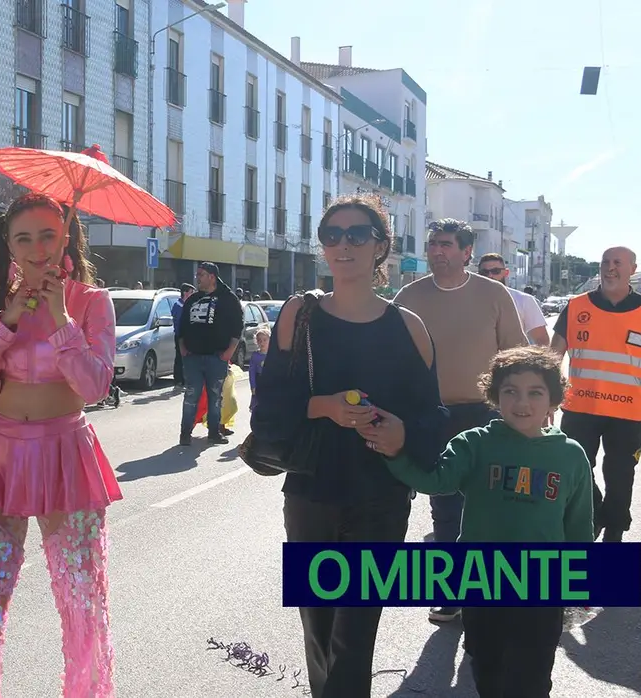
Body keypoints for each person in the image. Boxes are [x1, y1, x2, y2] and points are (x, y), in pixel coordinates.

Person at [252, 195, 446, 698]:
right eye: (331, 235)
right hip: (311, 494)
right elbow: (268, 408)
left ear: (381, 246)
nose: (343, 244)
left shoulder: (409, 327)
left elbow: (434, 421)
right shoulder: (300, 314)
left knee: (356, 636)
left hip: (380, 500)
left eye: (357, 234)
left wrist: (403, 432)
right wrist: (324, 407)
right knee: (318, 634)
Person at [0, 192, 120, 697]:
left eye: (48, 233)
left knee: (82, 599)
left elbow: (95, 387)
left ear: (67, 236)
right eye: (24, 237)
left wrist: (63, 318)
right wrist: (7, 321)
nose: (38, 247)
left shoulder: (91, 302)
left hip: (68, 454)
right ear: (10, 245)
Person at [384, 346, 593, 698]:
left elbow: (579, 524)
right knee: (487, 667)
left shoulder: (570, 455)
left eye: (535, 392)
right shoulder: (475, 444)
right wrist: (395, 453)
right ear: (495, 397)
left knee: (534, 674)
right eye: (510, 391)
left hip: (543, 586)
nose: (521, 402)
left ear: (554, 400)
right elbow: (436, 482)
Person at [393, 218, 527, 623]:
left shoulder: (493, 294)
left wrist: (521, 411)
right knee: (444, 505)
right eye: (433, 243)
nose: (437, 251)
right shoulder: (408, 296)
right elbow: (392, 358)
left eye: (446, 244)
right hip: (432, 416)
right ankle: (451, 593)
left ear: (467, 252)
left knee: (489, 504)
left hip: (484, 415)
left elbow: (516, 357)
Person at [551, 245, 641, 542]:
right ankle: (593, 511)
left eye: (618, 262)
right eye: (605, 261)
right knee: (574, 468)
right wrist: (547, 395)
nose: (610, 267)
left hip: (629, 413)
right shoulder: (577, 306)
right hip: (580, 409)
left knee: (620, 474)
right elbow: (554, 355)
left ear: (633, 268)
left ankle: (614, 528)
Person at [177, 262, 244, 446]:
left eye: (201, 274)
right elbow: (181, 326)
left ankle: (214, 432)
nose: (197, 278)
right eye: (197, 274)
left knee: (216, 396)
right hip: (193, 357)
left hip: (217, 357)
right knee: (192, 394)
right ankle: (185, 433)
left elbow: (237, 327)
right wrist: (183, 347)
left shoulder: (228, 299)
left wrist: (229, 351)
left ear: (212, 277)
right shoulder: (193, 299)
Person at [477, 252, 549, 345]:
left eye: (496, 271)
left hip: (513, 357)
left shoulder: (524, 300)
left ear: (506, 272)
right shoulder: (469, 300)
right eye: (484, 272)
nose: (490, 275)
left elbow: (541, 339)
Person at [171, 282, 195, 388]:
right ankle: (178, 380)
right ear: (185, 293)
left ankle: (187, 380)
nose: (192, 294)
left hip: (189, 336)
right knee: (180, 358)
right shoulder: (178, 305)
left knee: (189, 358)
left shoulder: (190, 305)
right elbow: (179, 321)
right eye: (191, 292)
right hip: (180, 335)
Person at [248, 326, 269, 412]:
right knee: (257, 406)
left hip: (270, 383)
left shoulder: (273, 355)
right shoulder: (255, 356)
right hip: (259, 381)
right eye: (259, 340)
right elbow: (251, 372)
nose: (262, 343)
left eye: (265, 340)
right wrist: (253, 387)